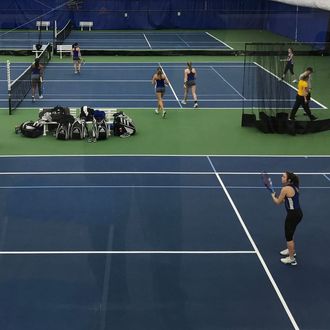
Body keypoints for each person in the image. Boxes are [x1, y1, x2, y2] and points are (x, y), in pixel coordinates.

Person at [271, 172, 303, 266]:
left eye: (283, 176)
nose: (281, 177)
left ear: (288, 180)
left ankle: (292, 259)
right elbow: (286, 200)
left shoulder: (285, 189)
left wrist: (273, 196)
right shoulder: (294, 187)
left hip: (292, 216)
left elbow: (277, 202)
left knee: (288, 236)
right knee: (291, 232)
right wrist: (279, 197)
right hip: (298, 214)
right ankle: (291, 251)